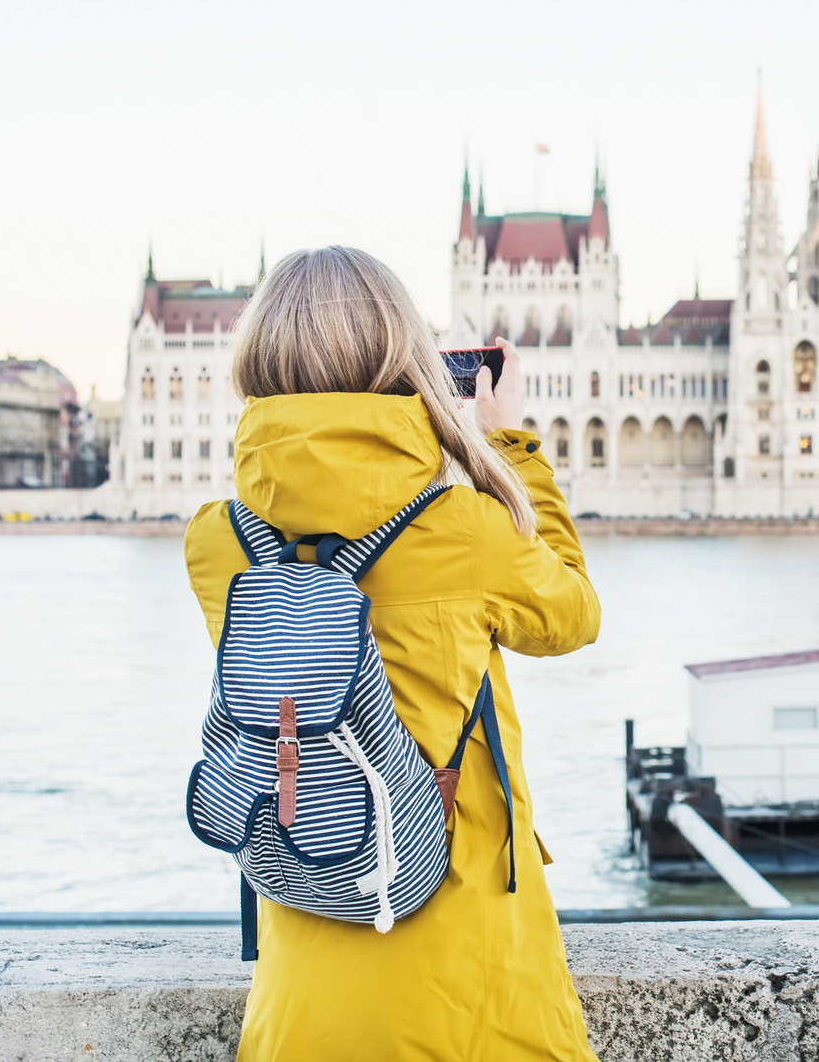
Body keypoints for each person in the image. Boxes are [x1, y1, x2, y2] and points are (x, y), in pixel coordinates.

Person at [183, 245, 602, 1061]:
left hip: (299, 1002)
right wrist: (508, 447)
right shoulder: (466, 531)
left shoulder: (218, 545)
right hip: (473, 997)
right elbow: (574, 614)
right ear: (403, 359)